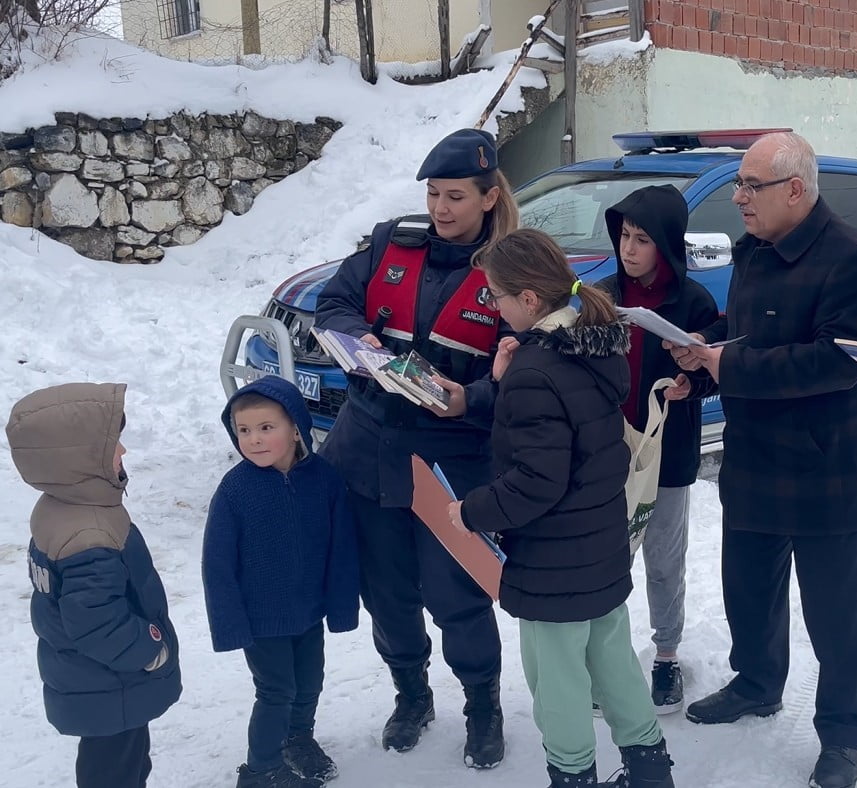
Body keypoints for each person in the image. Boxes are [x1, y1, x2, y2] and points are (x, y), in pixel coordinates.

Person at [669, 131, 857, 788]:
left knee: (837, 615)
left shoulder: (854, 258)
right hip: (754, 459)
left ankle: (844, 735)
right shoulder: (756, 253)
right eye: (738, 185)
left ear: (795, 189)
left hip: (825, 469)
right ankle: (758, 683)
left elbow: (836, 361)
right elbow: (749, 336)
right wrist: (701, 360)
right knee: (750, 592)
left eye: (749, 186)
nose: (737, 198)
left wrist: (727, 362)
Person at [313, 127, 517, 768]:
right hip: (368, 451)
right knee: (387, 590)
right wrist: (360, 342)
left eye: (455, 195)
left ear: (488, 198)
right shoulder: (389, 244)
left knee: (456, 591)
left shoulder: (518, 267)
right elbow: (334, 302)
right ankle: (411, 692)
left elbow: (536, 367)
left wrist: (473, 399)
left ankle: (482, 704)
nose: (440, 209)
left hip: (453, 462)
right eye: (433, 193)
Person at [448, 228, 676, 788]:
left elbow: (536, 481)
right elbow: (567, 441)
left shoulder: (535, 369)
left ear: (528, 299)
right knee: (615, 665)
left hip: (552, 563)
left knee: (558, 683)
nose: (491, 308)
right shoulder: (591, 345)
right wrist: (510, 379)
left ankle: (573, 776)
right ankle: (650, 770)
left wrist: (470, 512)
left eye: (494, 296)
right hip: (599, 544)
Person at [6, 382, 183, 788]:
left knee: (122, 763)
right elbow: (96, 622)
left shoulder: (61, 506)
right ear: (78, 461)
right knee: (115, 771)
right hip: (112, 680)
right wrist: (150, 651)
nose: (123, 452)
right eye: (114, 445)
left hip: (94, 680)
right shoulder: (90, 534)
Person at [595, 184, 719, 714]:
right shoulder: (599, 295)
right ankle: (606, 662)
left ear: (666, 244)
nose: (629, 248)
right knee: (603, 557)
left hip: (665, 452)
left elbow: (712, 368)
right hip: (604, 451)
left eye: (643, 239)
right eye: (625, 236)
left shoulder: (694, 301)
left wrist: (691, 385)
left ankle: (666, 656)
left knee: (663, 558)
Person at [202, 376, 360, 788]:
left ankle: (298, 739)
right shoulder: (236, 490)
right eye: (244, 430)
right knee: (276, 691)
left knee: (309, 682)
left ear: (295, 428)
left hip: (308, 612)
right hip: (261, 619)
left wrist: (341, 607)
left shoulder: (323, 479)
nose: (253, 439)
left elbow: (341, 548)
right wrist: (230, 623)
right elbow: (216, 565)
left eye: (265, 428)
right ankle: (261, 771)